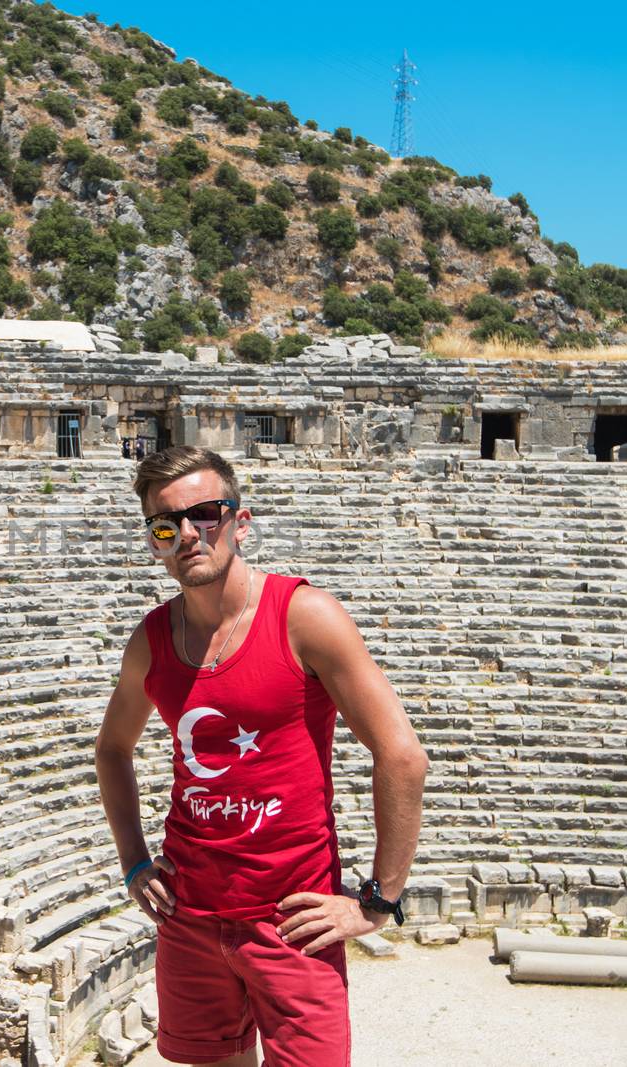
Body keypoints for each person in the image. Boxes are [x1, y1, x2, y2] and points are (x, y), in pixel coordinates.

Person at [94, 445, 429, 1066]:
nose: (188, 534)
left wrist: (379, 899)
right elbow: (113, 750)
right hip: (189, 916)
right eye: (166, 525)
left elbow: (402, 755)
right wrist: (135, 862)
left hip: (293, 919)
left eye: (206, 514)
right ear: (154, 542)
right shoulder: (151, 641)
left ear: (240, 523)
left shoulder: (305, 616)